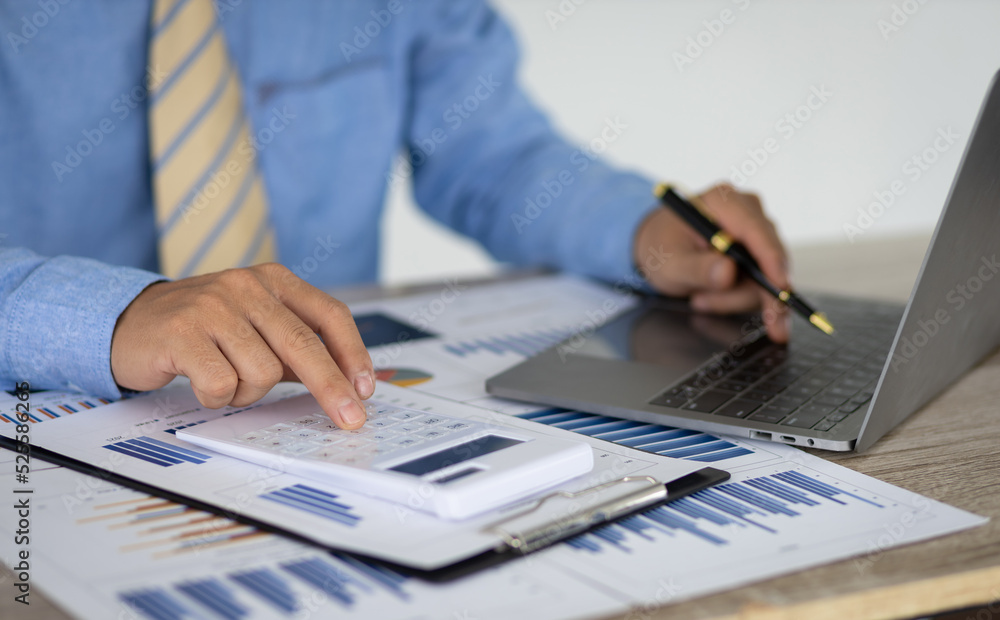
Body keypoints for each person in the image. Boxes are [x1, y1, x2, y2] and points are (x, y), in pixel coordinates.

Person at [0, 0, 790, 430]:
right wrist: (108, 317)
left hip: (319, 415)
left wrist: (642, 232)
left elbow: (490, 152)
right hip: (45, 430)